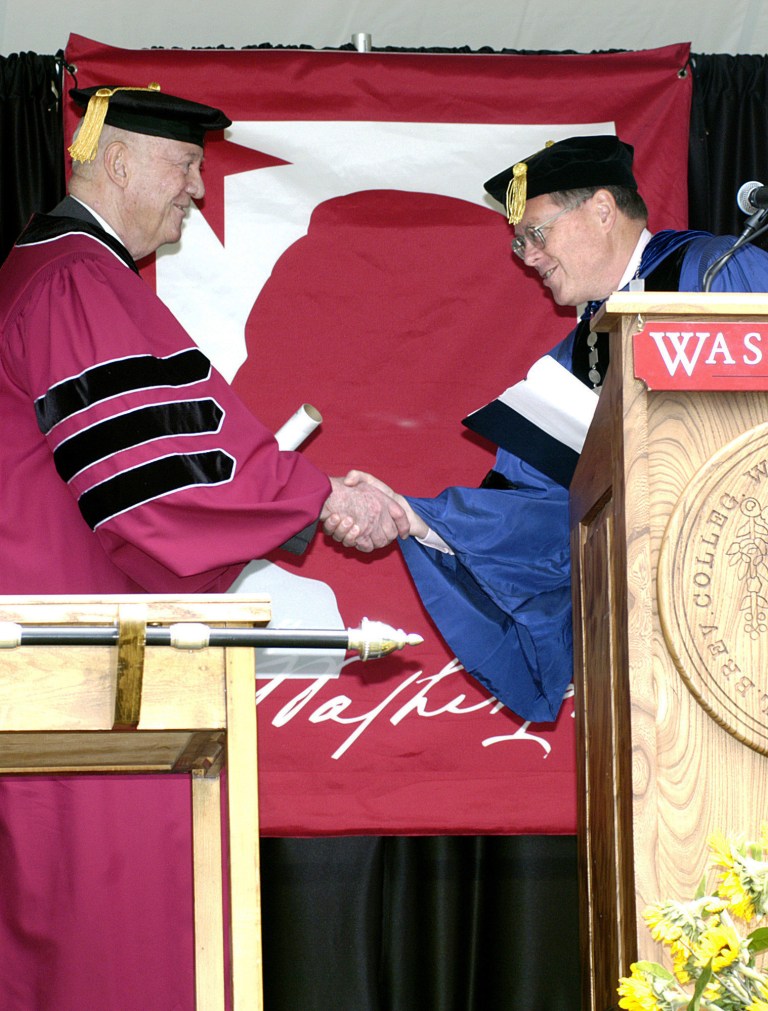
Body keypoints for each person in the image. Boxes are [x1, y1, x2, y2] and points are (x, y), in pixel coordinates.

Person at [338, 134, 768, 723]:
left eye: (535, 234)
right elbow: (541, 514)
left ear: (600, 209)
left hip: (746, 610)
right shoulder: (573, 361)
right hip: (652, 646)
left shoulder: (717, 275)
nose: (527, 257)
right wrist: (416, 520)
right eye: (519, 242)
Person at [0, 82, 408, 599]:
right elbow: (147, 465)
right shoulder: (75, 277)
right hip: (48, 615)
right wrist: (319, 496)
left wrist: (299, 497)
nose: (198, 188)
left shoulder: (47, 263)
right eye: (185, 164)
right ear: (120, 164)